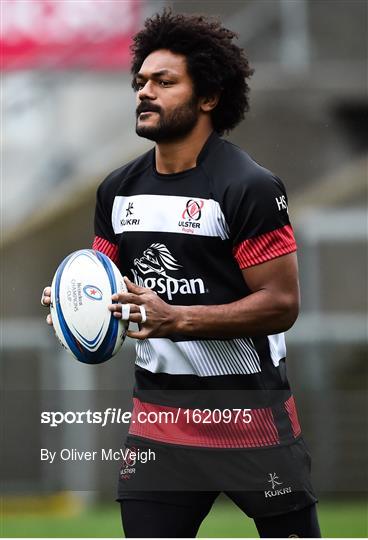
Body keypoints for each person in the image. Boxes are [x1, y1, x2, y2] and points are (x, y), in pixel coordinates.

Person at [42, 9, 321, 538]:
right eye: (140, 82)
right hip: (159, 423)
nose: (145, 91)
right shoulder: (117, 190)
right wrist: (72, 302)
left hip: (251, 419)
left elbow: (282, 304)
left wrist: (177, 318)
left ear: (208, 97)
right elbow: (113, 292)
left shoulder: (249, 187)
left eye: (164, 82)